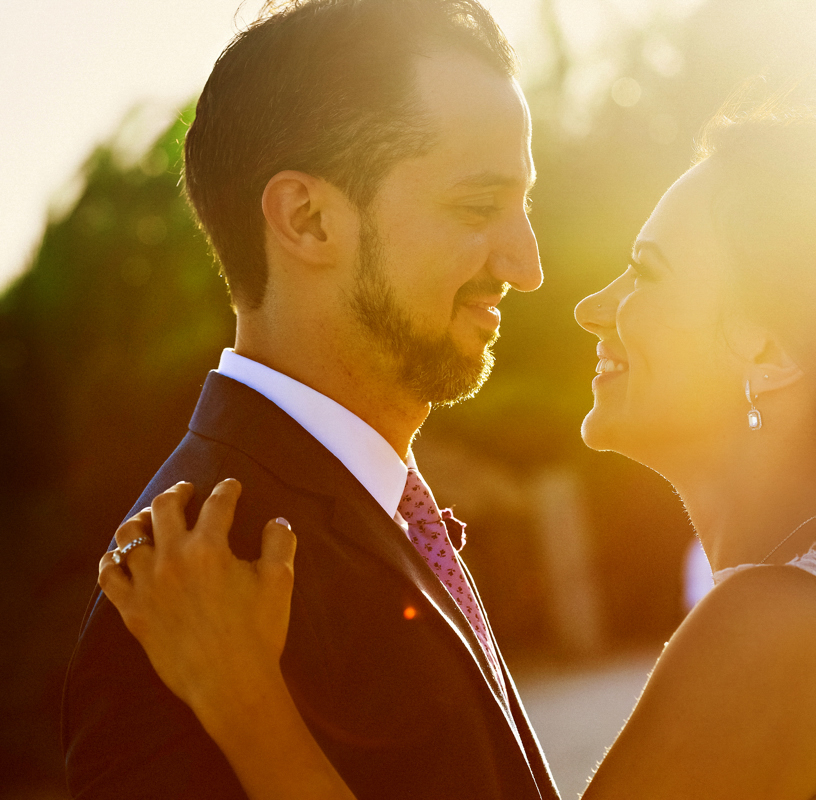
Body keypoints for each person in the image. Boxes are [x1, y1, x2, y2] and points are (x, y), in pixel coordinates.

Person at [97, 107, 816, 797]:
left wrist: (245, 708)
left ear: (765, 345)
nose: (589, 307)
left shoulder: (771, 633)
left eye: (650, 274)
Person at [61, 2, 558, 799]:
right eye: (477, 206)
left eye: (523, 205)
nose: (528, 265)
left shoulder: (383, 508)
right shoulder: (189, 585)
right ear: (309, 219)